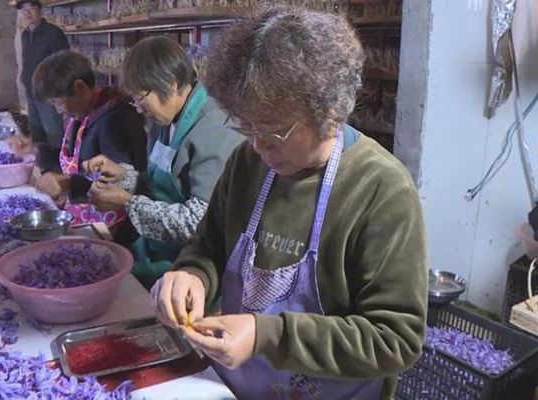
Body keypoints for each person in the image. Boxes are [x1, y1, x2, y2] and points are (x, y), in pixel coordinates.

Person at [150, 8, 428, 400]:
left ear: (329, 113)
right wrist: (191, 276)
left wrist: (267, 334)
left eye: (275, 131)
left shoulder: (381, 189)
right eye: (247, 127)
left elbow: (394, 340)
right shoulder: (247, 162)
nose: (259, 145)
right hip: (238, 386)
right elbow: (208, 247)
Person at [84, 36, 243, 289]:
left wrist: (127, 203)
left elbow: (199, 224)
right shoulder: (167, 119)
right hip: (158, 250)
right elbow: (167, 183)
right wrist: (123, 177)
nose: (137, 108)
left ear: (171, 83)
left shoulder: (214, 130)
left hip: (192, 269)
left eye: (140, 98)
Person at [30, 50, 147, 242]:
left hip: (113, 230)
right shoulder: (85, 113)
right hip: (89, 215)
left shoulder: (115, 121)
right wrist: (35, 150)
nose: (59, 111)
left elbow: (123, 185)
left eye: (58, 103)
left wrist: (70, 183)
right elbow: (75, 161)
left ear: (79, 88)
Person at [17, 0, 67, 148]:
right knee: (36, 132)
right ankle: (44, 167)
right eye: (23, 10)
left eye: (31, 8)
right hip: (31, 93)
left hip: (48, 94)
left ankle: (59, 167)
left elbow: (64, 63)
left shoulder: (53, 33)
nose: (27, 12)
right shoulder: (25, 34)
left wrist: (58, 93)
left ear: (40, 10)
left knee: (53, 134)